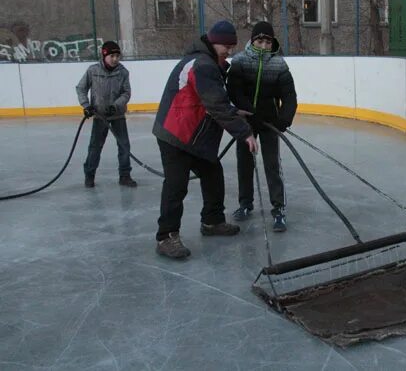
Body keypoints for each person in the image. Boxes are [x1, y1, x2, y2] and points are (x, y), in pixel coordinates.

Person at [152, 20, 259, 259]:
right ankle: (166, 236)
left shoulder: (207, 62)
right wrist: (244, 132)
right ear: (213, 42)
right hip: (176, 134)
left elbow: (212, 99)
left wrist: (235, 112)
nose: (229, 51)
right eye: (226, 46)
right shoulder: (202, 65)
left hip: (195, 136)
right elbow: (215, 103)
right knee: (176, 185)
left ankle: (212, 221)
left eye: (232, 46)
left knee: (213, 174)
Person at [227, 21, 297, 232]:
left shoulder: (279, 64)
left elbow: (289, 96)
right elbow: (234, 91)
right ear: (252, 40)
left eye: (268, 41)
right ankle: (245, 204)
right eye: (260, 40)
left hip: (270, 123)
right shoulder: (239, 61)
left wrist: (283, 120)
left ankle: (278, 209)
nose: (264, 45)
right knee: (245, 163)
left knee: (272, 165)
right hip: (246, 122)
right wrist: (248, 111)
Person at [76, 40, 137, 188]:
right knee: (95, 147)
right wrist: (86, 105)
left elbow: (126, 93)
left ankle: (125, 175)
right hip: (99, 116)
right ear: (104, 56)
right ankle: (89, 175)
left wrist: (116, 106)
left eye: (117, 55)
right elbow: (81, 88)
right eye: (112, 56)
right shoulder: (93, 71)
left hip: (117, 115)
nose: (115, 59)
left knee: (124, 146)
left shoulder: (123, 72)